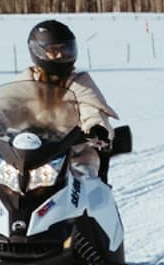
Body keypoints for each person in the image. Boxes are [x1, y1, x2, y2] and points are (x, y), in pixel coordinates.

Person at [25, 19, 117, 175]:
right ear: (38, 51)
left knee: (85, 175)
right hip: (31, 154)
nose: (61, 54)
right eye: (53, 50)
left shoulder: (79, 81)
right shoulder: (27, 79)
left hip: (74, 153)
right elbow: (6, 103)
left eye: (65, 49)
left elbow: (91, 107)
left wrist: (96, 126)